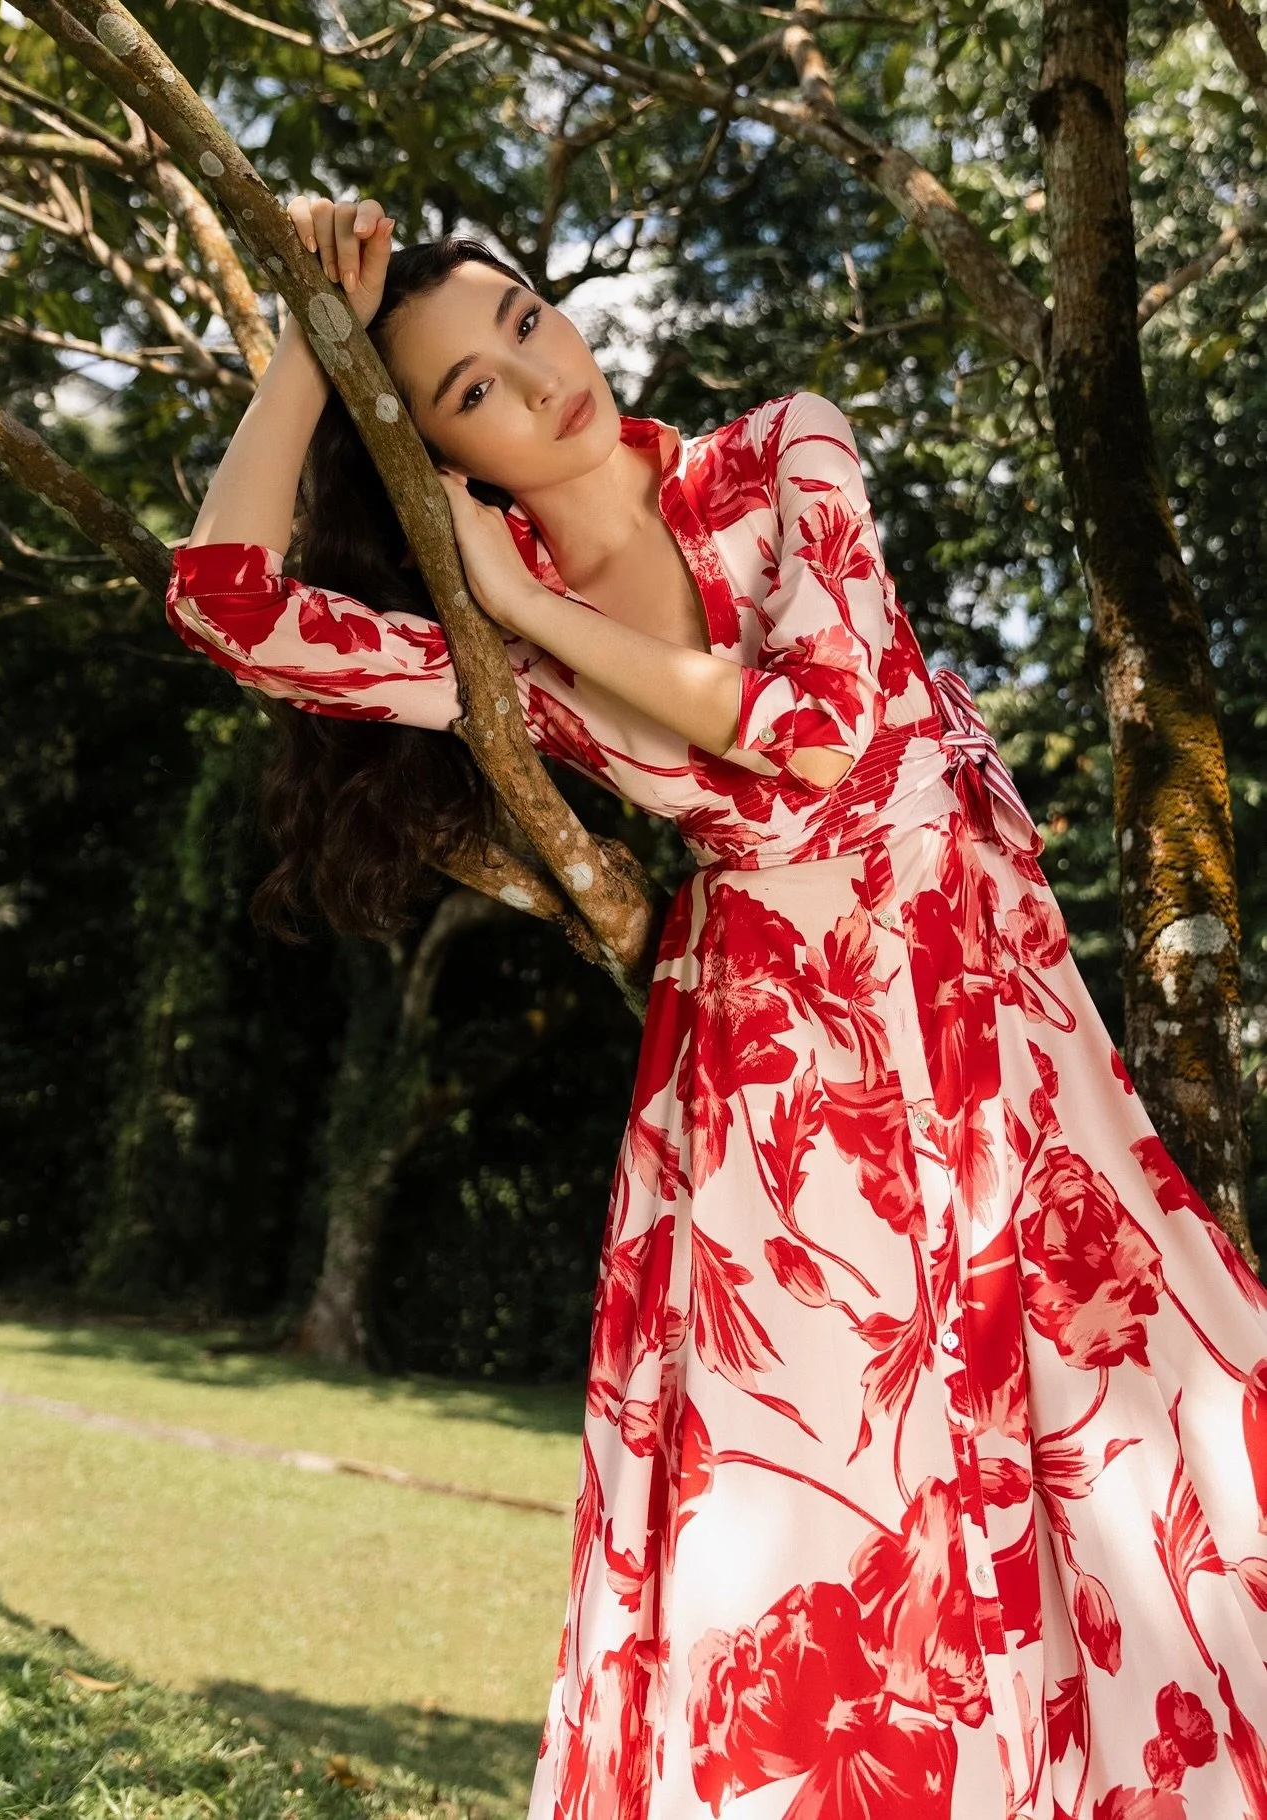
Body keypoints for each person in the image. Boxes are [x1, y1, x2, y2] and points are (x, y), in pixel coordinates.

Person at [166, 193, 1267, 1820]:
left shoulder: (776, 455)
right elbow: (226, 607)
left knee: (1137, 1426)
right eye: (474, 389)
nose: (540, 382)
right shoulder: (490, 634)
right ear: (445, 455)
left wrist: (527, 615)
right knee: (822, 1508)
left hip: (976, 1008)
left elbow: (821, 731)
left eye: (527, 320)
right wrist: (303, 355)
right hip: (778, 1073)